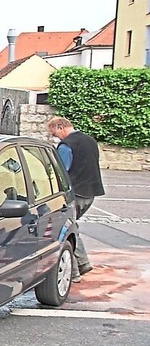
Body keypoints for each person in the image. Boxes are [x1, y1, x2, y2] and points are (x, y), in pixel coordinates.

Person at [47, 116, 105, 282]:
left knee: (65, 230)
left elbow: (61, 171)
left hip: (75, 193)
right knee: (71, 227)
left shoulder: (66, 145)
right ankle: (83, 263)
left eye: (54, 133)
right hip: (91, 192)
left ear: (60, 127)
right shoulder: (90, 140)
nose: (55, 137)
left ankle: (74, 272)